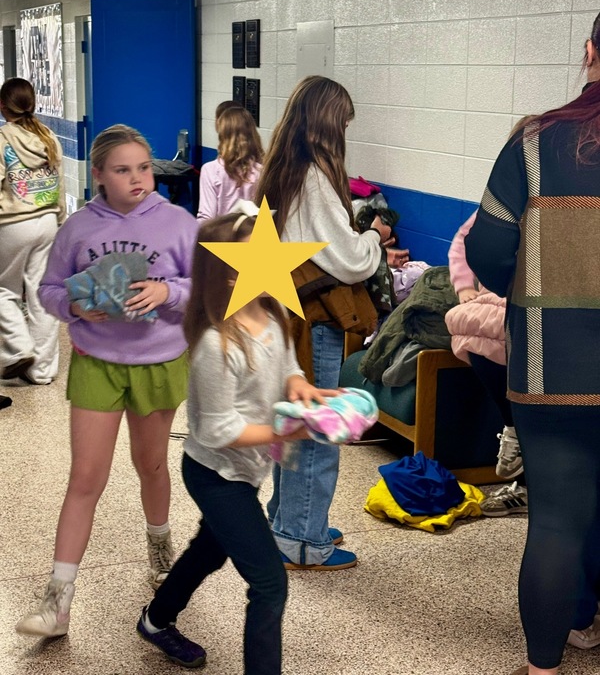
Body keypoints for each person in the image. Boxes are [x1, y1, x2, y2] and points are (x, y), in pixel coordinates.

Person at [15, 124, 198, 638]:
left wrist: (167, 292)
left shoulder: (178, 222)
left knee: (151, 464)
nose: (138, 178)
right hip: (96, 361)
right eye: (123, 170)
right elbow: (48, 290)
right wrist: (71, 307)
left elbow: (204, 283)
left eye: (144, 167)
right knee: (85, 478)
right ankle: (57, 600)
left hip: (159, 361)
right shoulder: (76, 228)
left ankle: (159, 545)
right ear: (98, 174)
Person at [136, 209, 331, 673]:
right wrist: (291, 430)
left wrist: (303, 388)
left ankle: (156, 619)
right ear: (227, 274)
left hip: (248, 468)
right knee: (269, 584)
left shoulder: (274, 313)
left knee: (210, 548)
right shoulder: (215, 346)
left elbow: (287, 368)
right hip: (214, 474)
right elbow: (216, 431)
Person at [465, 12, 600, 675]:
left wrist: (524, 293)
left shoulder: (535, 140)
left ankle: (548, 659)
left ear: (589, 51)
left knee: (556, 518)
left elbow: (488, 249)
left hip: (553, 366)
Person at [255, 75, 392, 570]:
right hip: (316, 320)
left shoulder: (285, 170)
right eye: (346, 124)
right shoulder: (316, 176)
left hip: (284, 315)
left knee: (294, 424)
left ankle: (288, 520)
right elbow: (350, 260)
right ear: (330, 126)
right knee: (318, 430)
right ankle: (304, 540)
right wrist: (374, 238)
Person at [446, 211, 528, 518]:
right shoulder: (512, 195)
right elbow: (464, 241)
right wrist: (464, 286)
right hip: (504, 295)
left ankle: (527, 480)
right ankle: (512, 428)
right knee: (471, 326)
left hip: (553, 303)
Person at [0, 77, 65, 385]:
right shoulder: (49, 136)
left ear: (2, 106)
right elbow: (60, 182)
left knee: (3, 291)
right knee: (41, 294)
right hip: (48, 220)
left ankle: (19, 349)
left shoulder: (2, 139)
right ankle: (42, 371)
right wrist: (61, 219)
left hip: (12, 223)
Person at [197, 104, 263, 223]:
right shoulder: (262, 171)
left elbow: (207, 217)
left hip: (222, 238)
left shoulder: (211, 170)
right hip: (251, 238)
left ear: (223, 135)